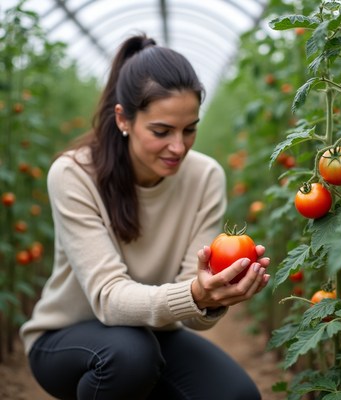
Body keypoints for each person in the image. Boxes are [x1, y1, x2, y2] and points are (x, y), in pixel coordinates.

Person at [20, 34, 270, 400]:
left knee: (236, 395)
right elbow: (107, 298)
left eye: (190, 129)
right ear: (123, 118)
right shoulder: (74, 174)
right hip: (65, 338)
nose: (178, 147)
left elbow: (191, 314)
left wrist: (210, 298)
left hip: (153, 335)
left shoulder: (206, 177)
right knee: (129, 357)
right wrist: (195, 292)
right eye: (161, 131)